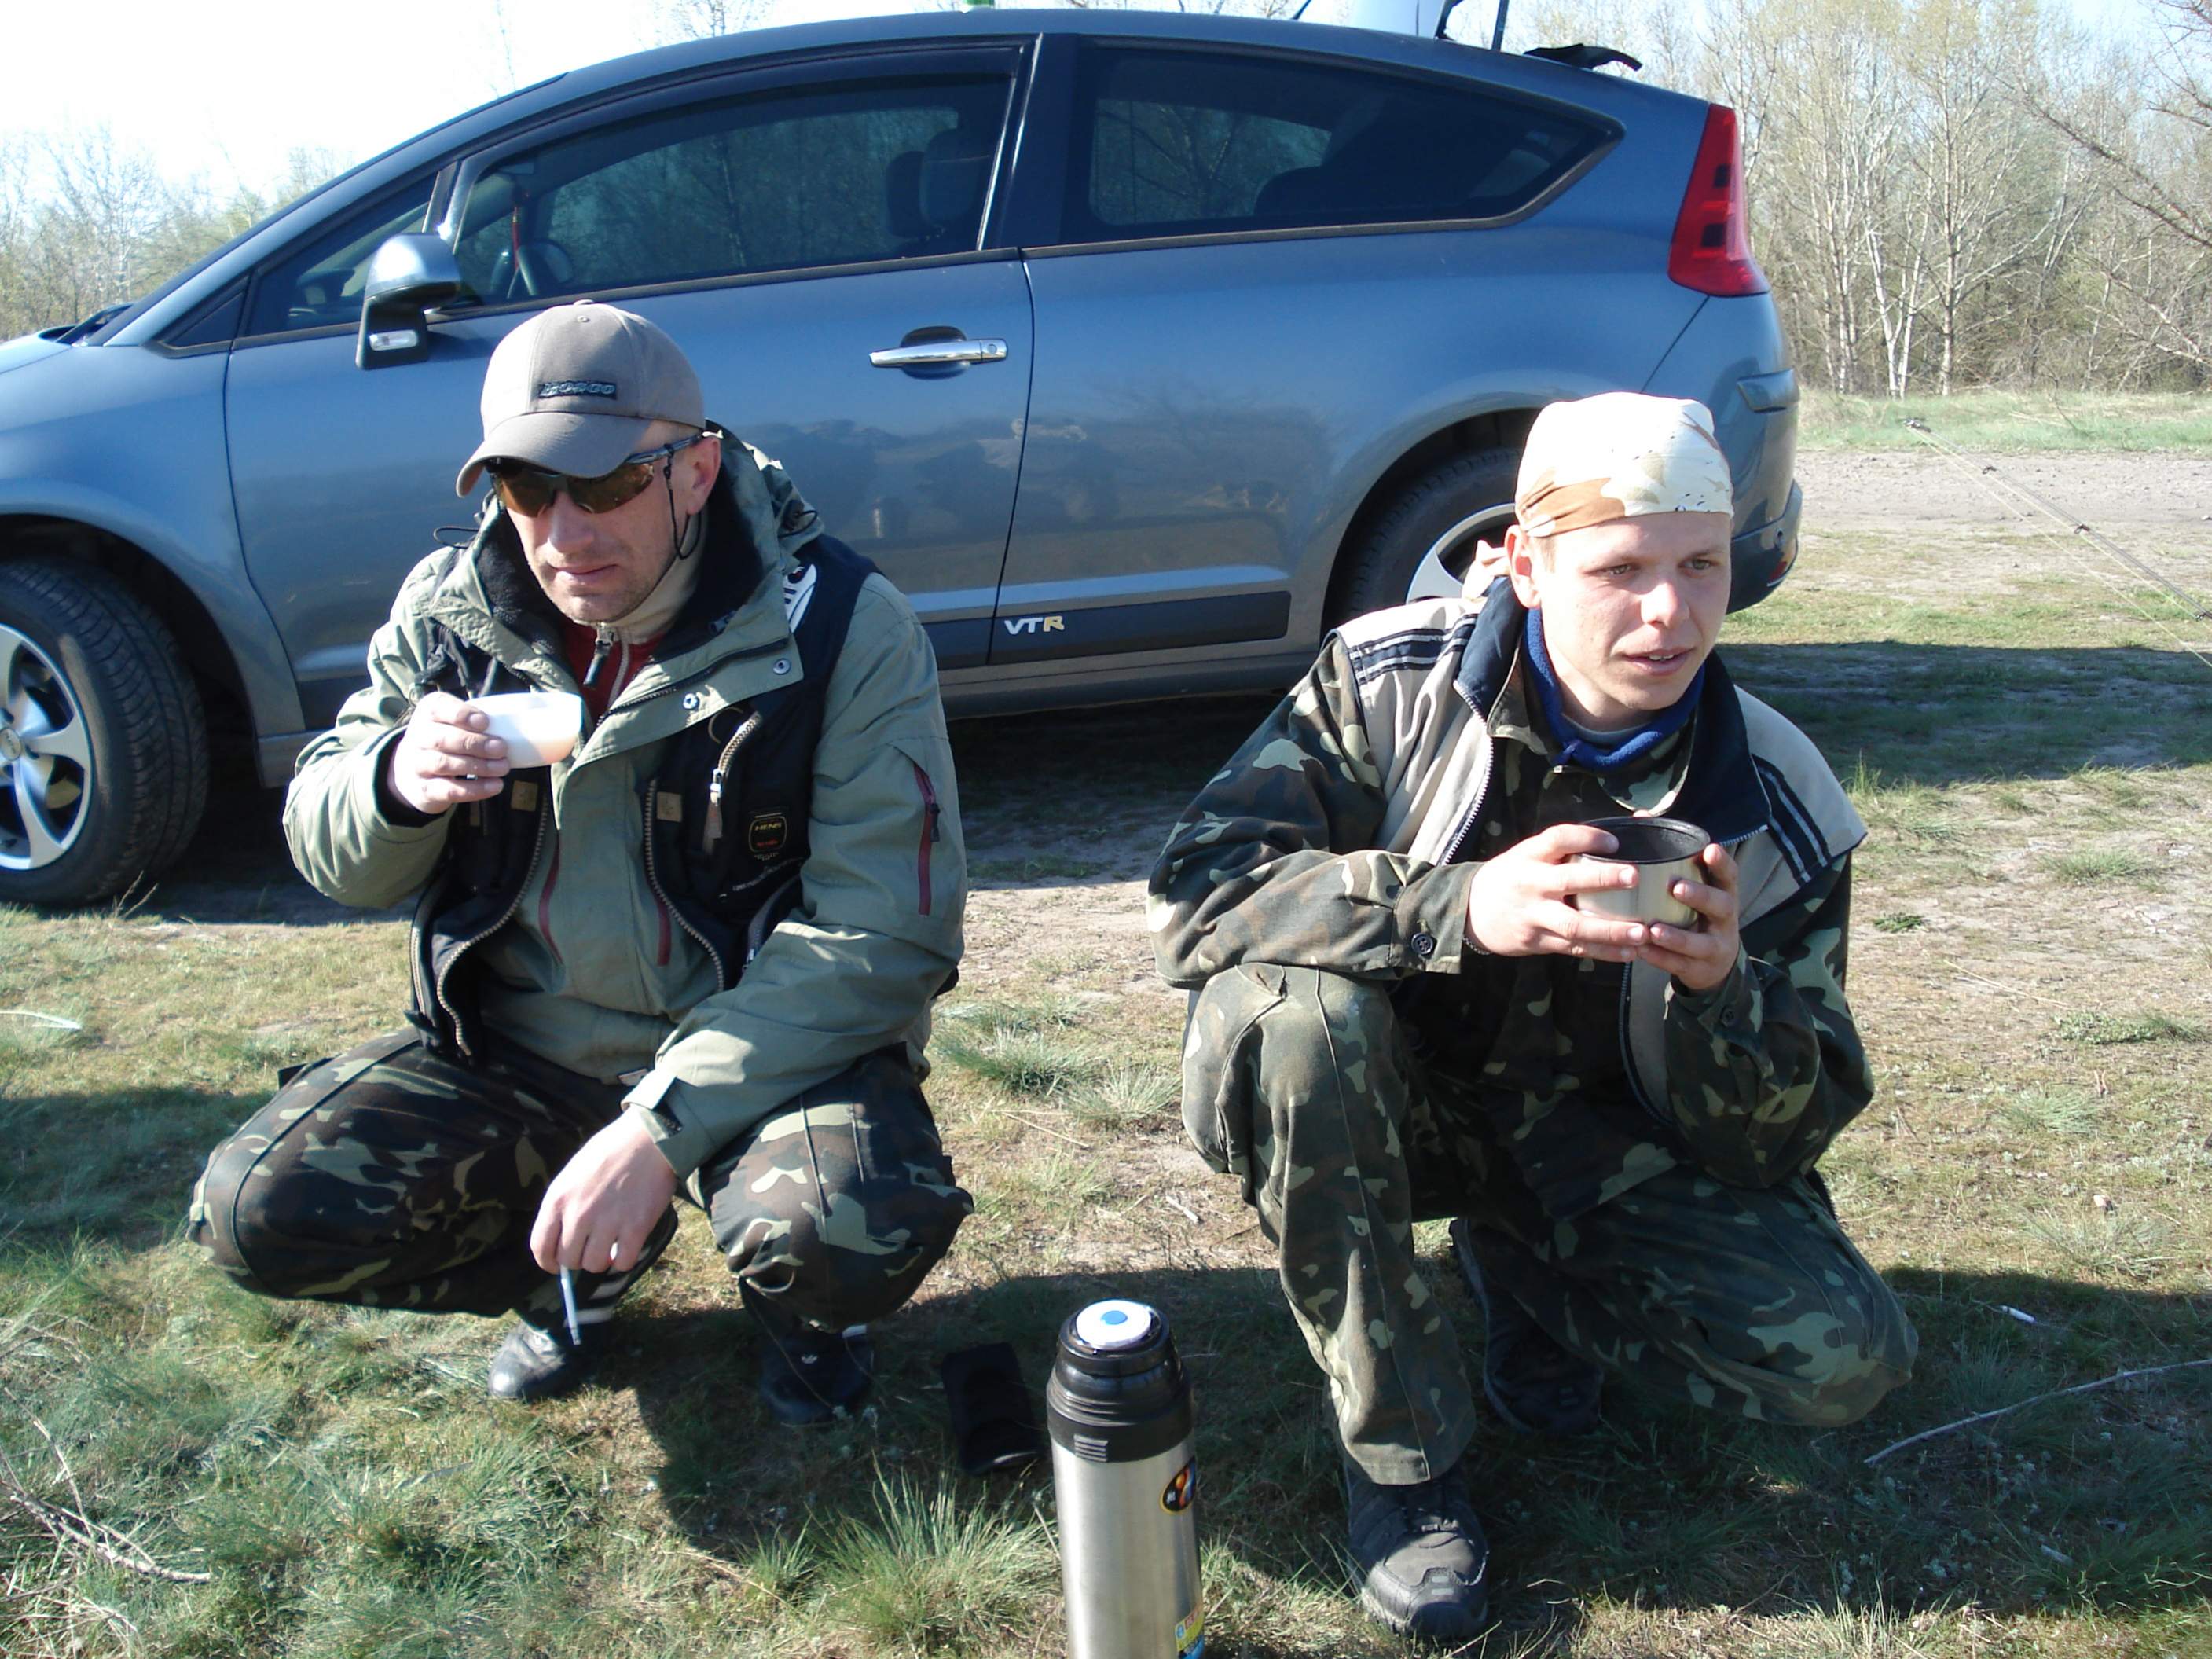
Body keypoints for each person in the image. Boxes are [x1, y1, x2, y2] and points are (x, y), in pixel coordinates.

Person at [1149, 392, 1915, 1639]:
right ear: (1524, 563)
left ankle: (1526, 1275)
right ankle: (1402, 1463)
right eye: (1620, 570)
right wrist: (1454, 906)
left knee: (1844, 1359)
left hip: (1598, 1144)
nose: (1669, 615)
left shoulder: (1773, 796)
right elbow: (1196, 899)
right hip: (1387, 1101)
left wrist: (1723, 994)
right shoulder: (1391, 685)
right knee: (1295, 1022)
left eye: (1702, 566)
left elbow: (1786, 1133)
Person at [189, 301, 971, 1420]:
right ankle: (576, 1271)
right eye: (525, 488)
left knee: (842, 1228)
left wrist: (656, 1130)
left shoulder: (841, 626)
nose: (562, 533)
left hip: (768, 1056)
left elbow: (887, 932)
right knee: (256, 1212)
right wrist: (393, 781)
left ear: (695, 472)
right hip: (522, 1055)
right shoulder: (450, 616)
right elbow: (331, 847)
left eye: (604, 485)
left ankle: (808, 1313)